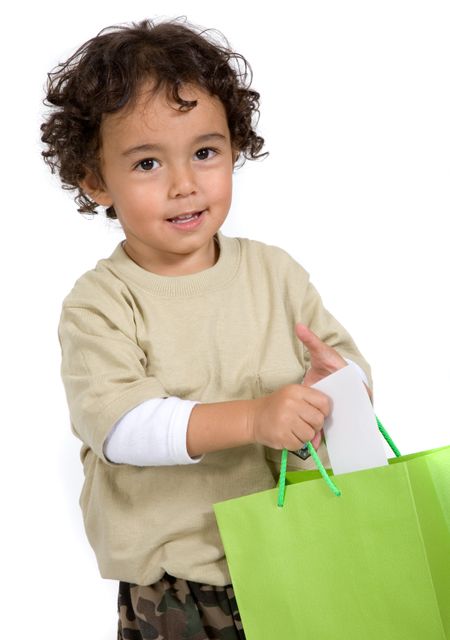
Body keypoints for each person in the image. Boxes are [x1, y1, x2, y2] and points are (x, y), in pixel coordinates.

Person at [41, 17, 372, 640]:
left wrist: (337, 389)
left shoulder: (276, 273)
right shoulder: (102, 302)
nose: (184, 184)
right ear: (94, 180)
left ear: (234, 147)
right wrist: (252, 419)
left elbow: (346, 380)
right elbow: (121, 425)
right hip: (179, 587)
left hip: (299, 553)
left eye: (204, 152)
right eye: (146, 162)